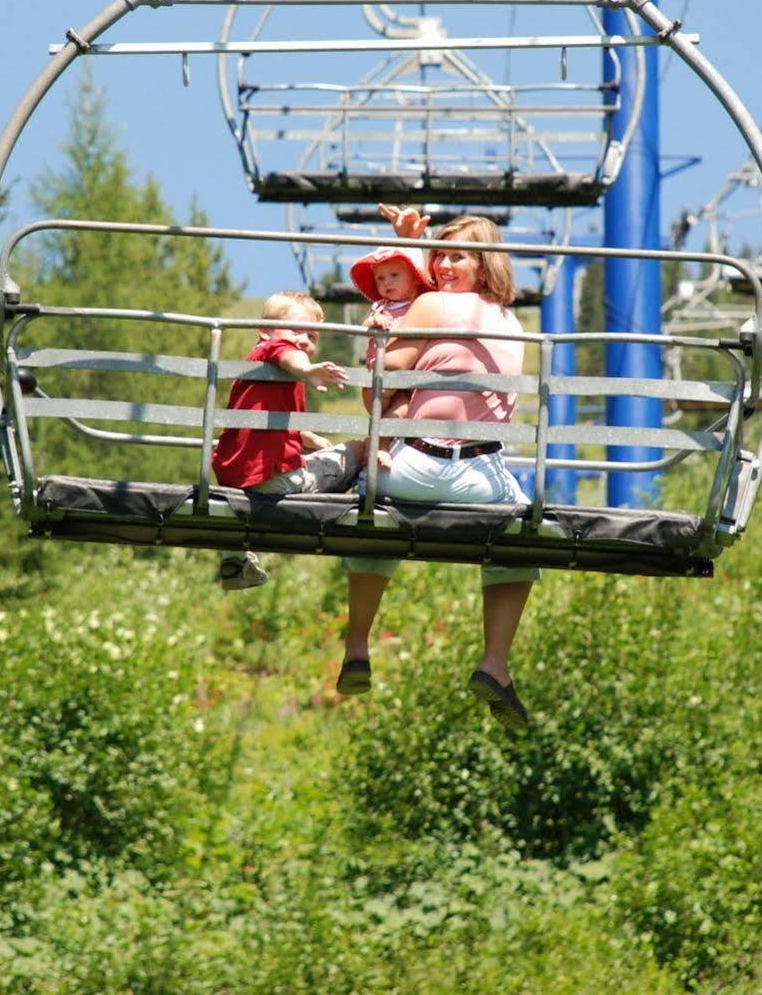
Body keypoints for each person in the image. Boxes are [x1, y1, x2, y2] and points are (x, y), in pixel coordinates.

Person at [336, 205, 538, 732]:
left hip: (415, 465)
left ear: (484, 263)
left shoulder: (431, 305)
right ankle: (495, 661)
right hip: (484, 476)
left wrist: (382, 354)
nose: (444, 265)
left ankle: (357, 645)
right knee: (521, 540)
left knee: (372, 513)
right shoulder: (509, 319)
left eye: (457, 256)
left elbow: (379, 379)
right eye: (441, 254)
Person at [209, 291, 355, 591]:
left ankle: (235, 560)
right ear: (264, 332)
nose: (303, 341)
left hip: (234, 477)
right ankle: (357, 504)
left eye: (313, 336)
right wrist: (307, 369)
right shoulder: (274, 353)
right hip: (275, 480)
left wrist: (306, 437)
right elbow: (286, 351)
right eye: (296, 331)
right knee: (358, 450)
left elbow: (265, 422)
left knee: (315, 452)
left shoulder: (256, 369)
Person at [346, 244, 435, 438]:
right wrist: (373, 322)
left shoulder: (421, 306)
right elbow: (366, 326)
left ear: (415, 278)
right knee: (384, 408)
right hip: (380, 373)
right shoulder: (381, 306)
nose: (387, 283)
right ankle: (380, 444)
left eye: (394, 276)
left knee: (403, 410)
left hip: (412, 378)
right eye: (380, 278)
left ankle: (380, 445)